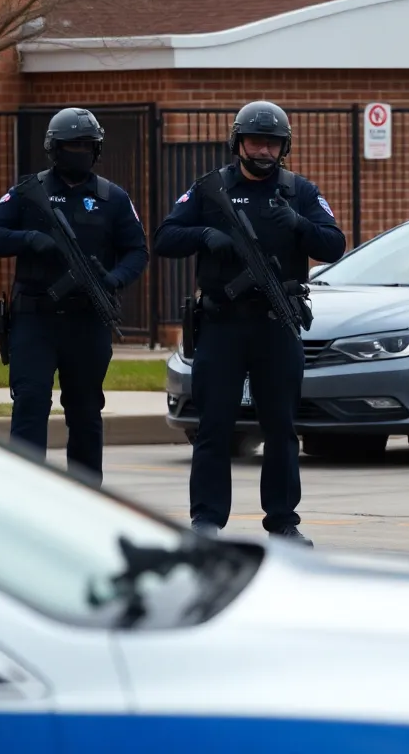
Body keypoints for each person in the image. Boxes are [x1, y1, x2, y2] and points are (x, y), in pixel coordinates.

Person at [152, 100, 346, 546]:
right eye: (256, 142)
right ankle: (206, 520)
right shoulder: (210, 189)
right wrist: (204, 234)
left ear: (284, 148)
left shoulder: (300, 192)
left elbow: (333, 244)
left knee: (280, 427)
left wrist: (298, 224)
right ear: (237, 142)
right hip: (222, 325)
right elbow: (165, 237)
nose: (263, 151)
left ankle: (282, 521)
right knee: (214, 426)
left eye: (272, 144)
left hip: (276, 325)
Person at [0, 107, 148, 485]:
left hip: (88, 320)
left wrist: (114, 279)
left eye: (87, 146)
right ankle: (24, 491)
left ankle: (86, 495)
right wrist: (29, 239)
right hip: (35, 319)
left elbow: (137, 251)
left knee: (85, 412)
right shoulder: (29, 192)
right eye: (72, 146)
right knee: (30, 404)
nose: (79, 152)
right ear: (54, 149)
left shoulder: (113, 198)